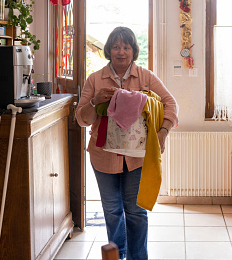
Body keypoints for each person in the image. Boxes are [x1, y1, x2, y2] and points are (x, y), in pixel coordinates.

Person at [75, 26, 178, 260]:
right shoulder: (95, 79)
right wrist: (94, 101)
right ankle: (116, 254)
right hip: (103, 156)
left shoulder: (146, 77)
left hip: (137, 157)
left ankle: (137, 257)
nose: (121, 52)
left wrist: (163, 131)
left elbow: (171, 104)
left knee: (136, 211)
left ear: (133, 50)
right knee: (112, 211)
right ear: (109, 50)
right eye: (116, 46)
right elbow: (81, 119)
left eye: (126, 47)